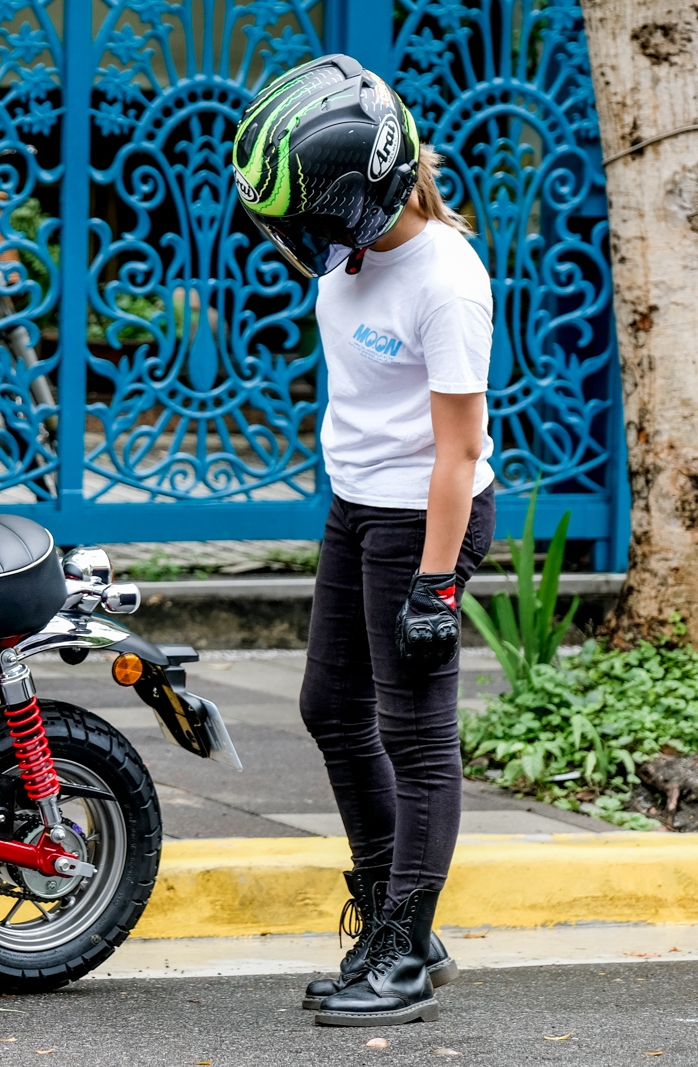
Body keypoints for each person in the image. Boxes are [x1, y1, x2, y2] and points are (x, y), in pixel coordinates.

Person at [232, 54, 496, 1027]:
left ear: (359, 194)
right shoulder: (352, 252)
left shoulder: (446, 282)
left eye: (306, 217)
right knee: (328, 707)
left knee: (415, 734)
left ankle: (405, 945)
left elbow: (459, 452)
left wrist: (435, 586)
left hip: (424, 513)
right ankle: (399, 921)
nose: (293, 240)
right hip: (356, 504)